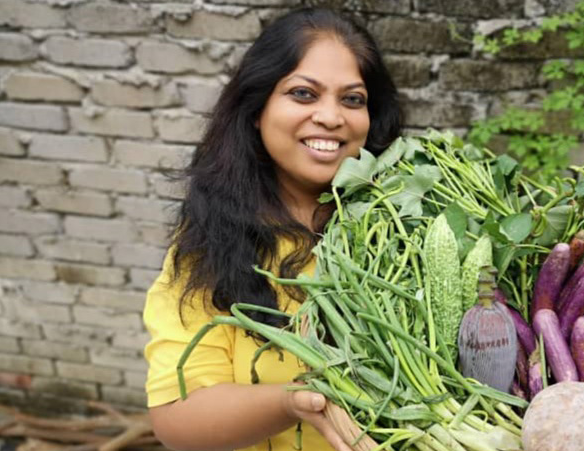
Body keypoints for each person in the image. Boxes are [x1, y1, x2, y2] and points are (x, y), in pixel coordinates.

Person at [143, 7, 402, 451]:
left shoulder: (400, 231)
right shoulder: (213, 243)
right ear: (257, 109)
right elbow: (175, 419)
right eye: (303, 94)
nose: (331, 117)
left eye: (353, 99)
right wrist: (292, 403)